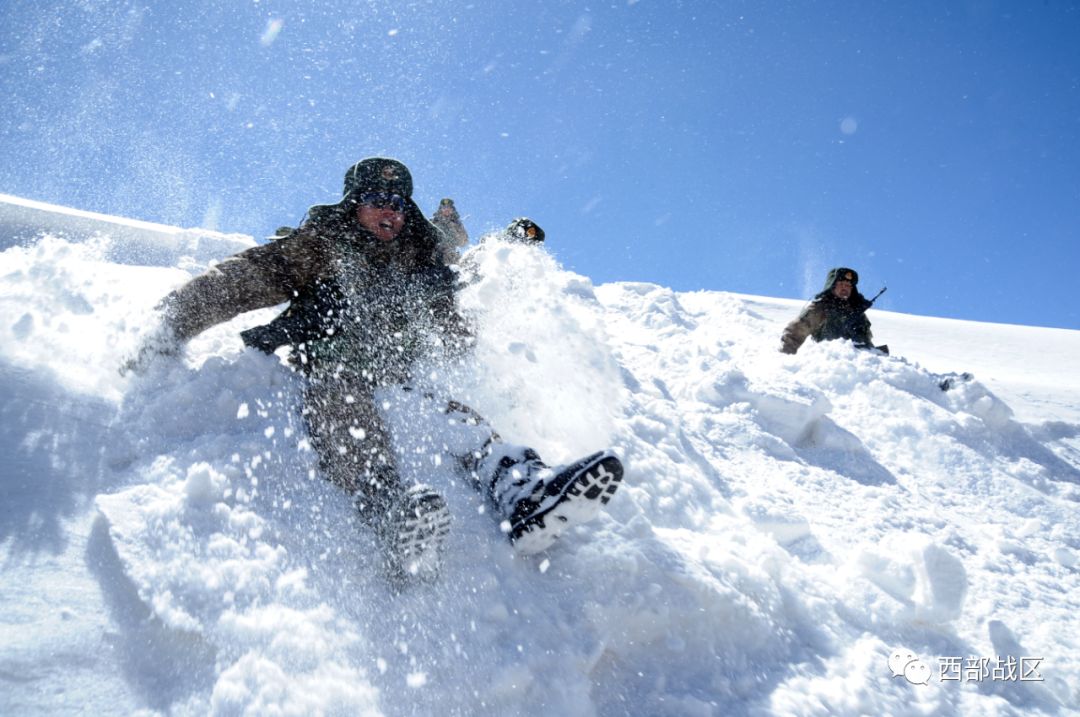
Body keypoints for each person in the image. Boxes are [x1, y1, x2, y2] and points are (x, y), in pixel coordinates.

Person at [122, 157, 623, 580]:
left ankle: (522, 494)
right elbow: (242, 279)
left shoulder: (422, 264)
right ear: (352, 203)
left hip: (394, 379)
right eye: (377, 197)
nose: (391, 209)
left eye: (400, 201)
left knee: (459, 416)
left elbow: (456, 327)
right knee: (344, 403)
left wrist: (501, 261)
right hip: (325, 369)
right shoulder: (323, 245)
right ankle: (390, 515)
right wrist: (167, 328)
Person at [781, 267, 884, 355]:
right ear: (832, 286)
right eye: (841, 284)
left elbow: (866, 340)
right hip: (828, 361)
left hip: (856, 365)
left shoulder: (857, 313)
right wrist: (786, 357)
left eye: (848, 285)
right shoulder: (820, 308)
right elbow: (795, 332)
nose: (845, 288)